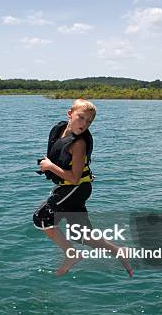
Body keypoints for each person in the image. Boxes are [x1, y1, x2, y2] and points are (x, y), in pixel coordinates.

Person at [33, 98, 133, 277]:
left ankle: (71, 255)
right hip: (77, 188)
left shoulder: (79, 143)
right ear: (69, 114)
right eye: (81, 117)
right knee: (81, 235)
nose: (84, 124)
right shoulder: (60, 130)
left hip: (75, 187)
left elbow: (74, 177)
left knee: (42, 218)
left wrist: (49, 166)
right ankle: (119, 251)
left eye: (89, 121)